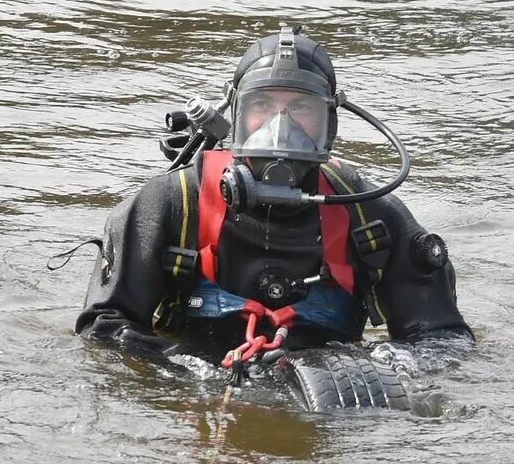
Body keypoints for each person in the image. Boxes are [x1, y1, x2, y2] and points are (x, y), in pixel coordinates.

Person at [76, 26, 469, 393]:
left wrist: (370, 370)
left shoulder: (372, 218)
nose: (280, 126)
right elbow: (103, 329)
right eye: (261, 105)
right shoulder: (171, 204)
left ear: (328, 125)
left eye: (300, 109)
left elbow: (442, 341)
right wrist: (191, 375)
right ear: (236, 119)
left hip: (325, 404)